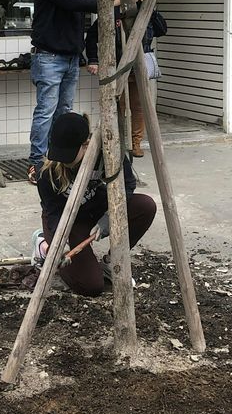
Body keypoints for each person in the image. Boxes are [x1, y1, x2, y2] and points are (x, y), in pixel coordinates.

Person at [33, 111, 158, 297]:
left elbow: (128, 184)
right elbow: (52, 211)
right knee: (91, 286)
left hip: (98, 209)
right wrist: (61, 245)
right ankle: (43, 246)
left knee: (145, 206)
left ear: (85, 145)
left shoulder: (107, 154)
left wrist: (110, 216)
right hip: (68, 220)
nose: (63, 161)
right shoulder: (46, 170)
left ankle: (111, 261)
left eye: (68, 156)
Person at [28, 0, 97, 183]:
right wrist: (109, 1)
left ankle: (58, 160)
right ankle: (37, 163)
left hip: (70, 58)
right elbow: (73, 2)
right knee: (46, 111)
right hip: (49, 57)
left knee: (64, 112)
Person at [85, 0, 168, 157]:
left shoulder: (146, 11)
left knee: (139, 105)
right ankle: (121, 141)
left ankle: (136, 142)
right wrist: (93, 59)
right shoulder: (115, 11)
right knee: (120, 106)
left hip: (140, 65)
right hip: (119, 65)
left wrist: (150, 9)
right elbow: (93, 35)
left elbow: (162, 30)